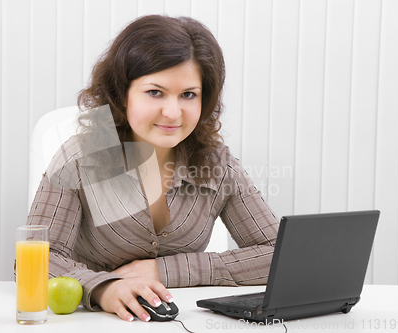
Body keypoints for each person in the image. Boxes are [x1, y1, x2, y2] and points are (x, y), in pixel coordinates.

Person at [27, 14, 279, 323]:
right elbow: (35, 259)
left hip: (188, 322)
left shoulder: (218, 163)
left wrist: (167, 270)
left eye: (188, 94)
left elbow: (278, 256)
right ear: (122, 95)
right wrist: (102, 288)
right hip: (92, 323)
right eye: (155, 92)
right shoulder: (80, 156)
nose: (173, 113)